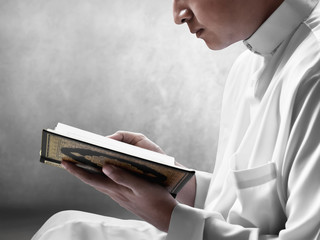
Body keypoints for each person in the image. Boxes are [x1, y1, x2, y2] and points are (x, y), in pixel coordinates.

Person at [32, 0, 320, 239]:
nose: (178, 15)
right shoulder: (247, 65)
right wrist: (178, 184)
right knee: (65, 228)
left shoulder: (313, 73)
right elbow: (244, 209)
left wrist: (172, 219)